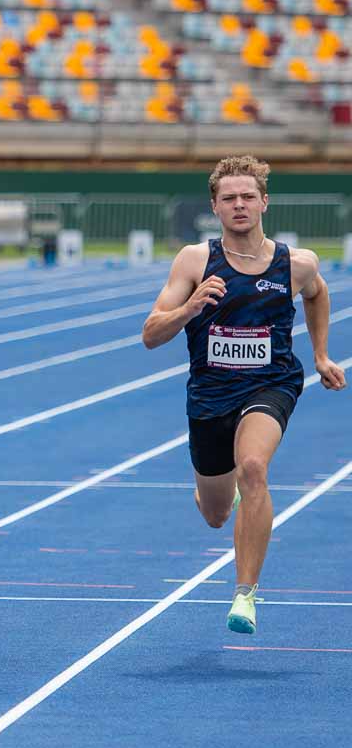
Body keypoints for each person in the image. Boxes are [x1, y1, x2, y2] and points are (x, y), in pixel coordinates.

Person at [142, 154, 344, 634]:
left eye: (248, 196)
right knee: (215, 514)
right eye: (229, 197)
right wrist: (190, 307)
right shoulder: (194, 260)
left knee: (253, 467)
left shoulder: (297, 263)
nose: (239, 205)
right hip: (210, 393)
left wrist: (320, 355)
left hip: (271, 384)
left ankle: (245, 594)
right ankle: (219, 492)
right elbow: (150, 334)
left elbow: (317, 293)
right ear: (214, 206)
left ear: (264, 202)